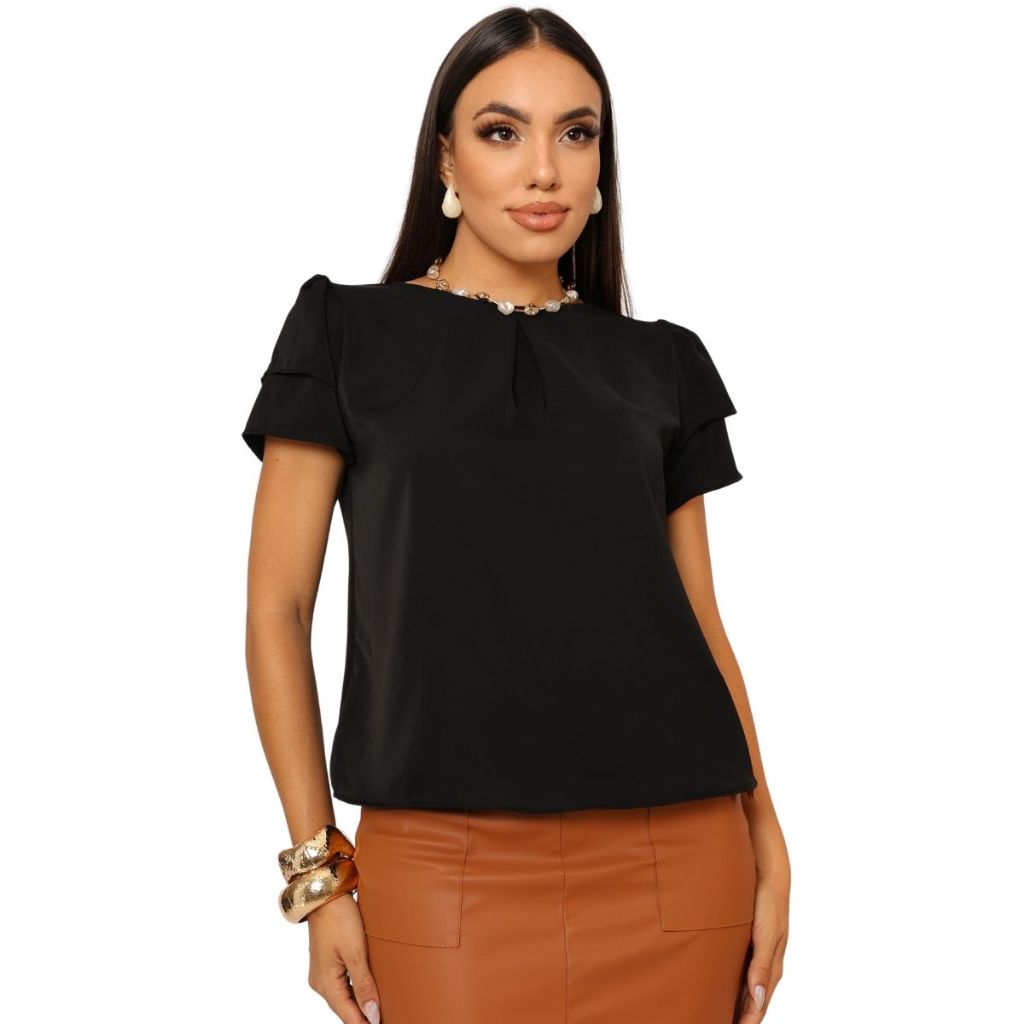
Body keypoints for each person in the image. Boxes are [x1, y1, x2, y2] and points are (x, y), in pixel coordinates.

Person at [242, 8, 790, 1024]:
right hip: (439, 866)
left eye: (576, 134)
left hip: (678, 863)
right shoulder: (346, 333)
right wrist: (318, 875)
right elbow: (279, 611)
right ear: (445, 157)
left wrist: (767, 836)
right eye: (503, 132)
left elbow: (701, 620)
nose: (544, 170)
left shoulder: (660, 363)